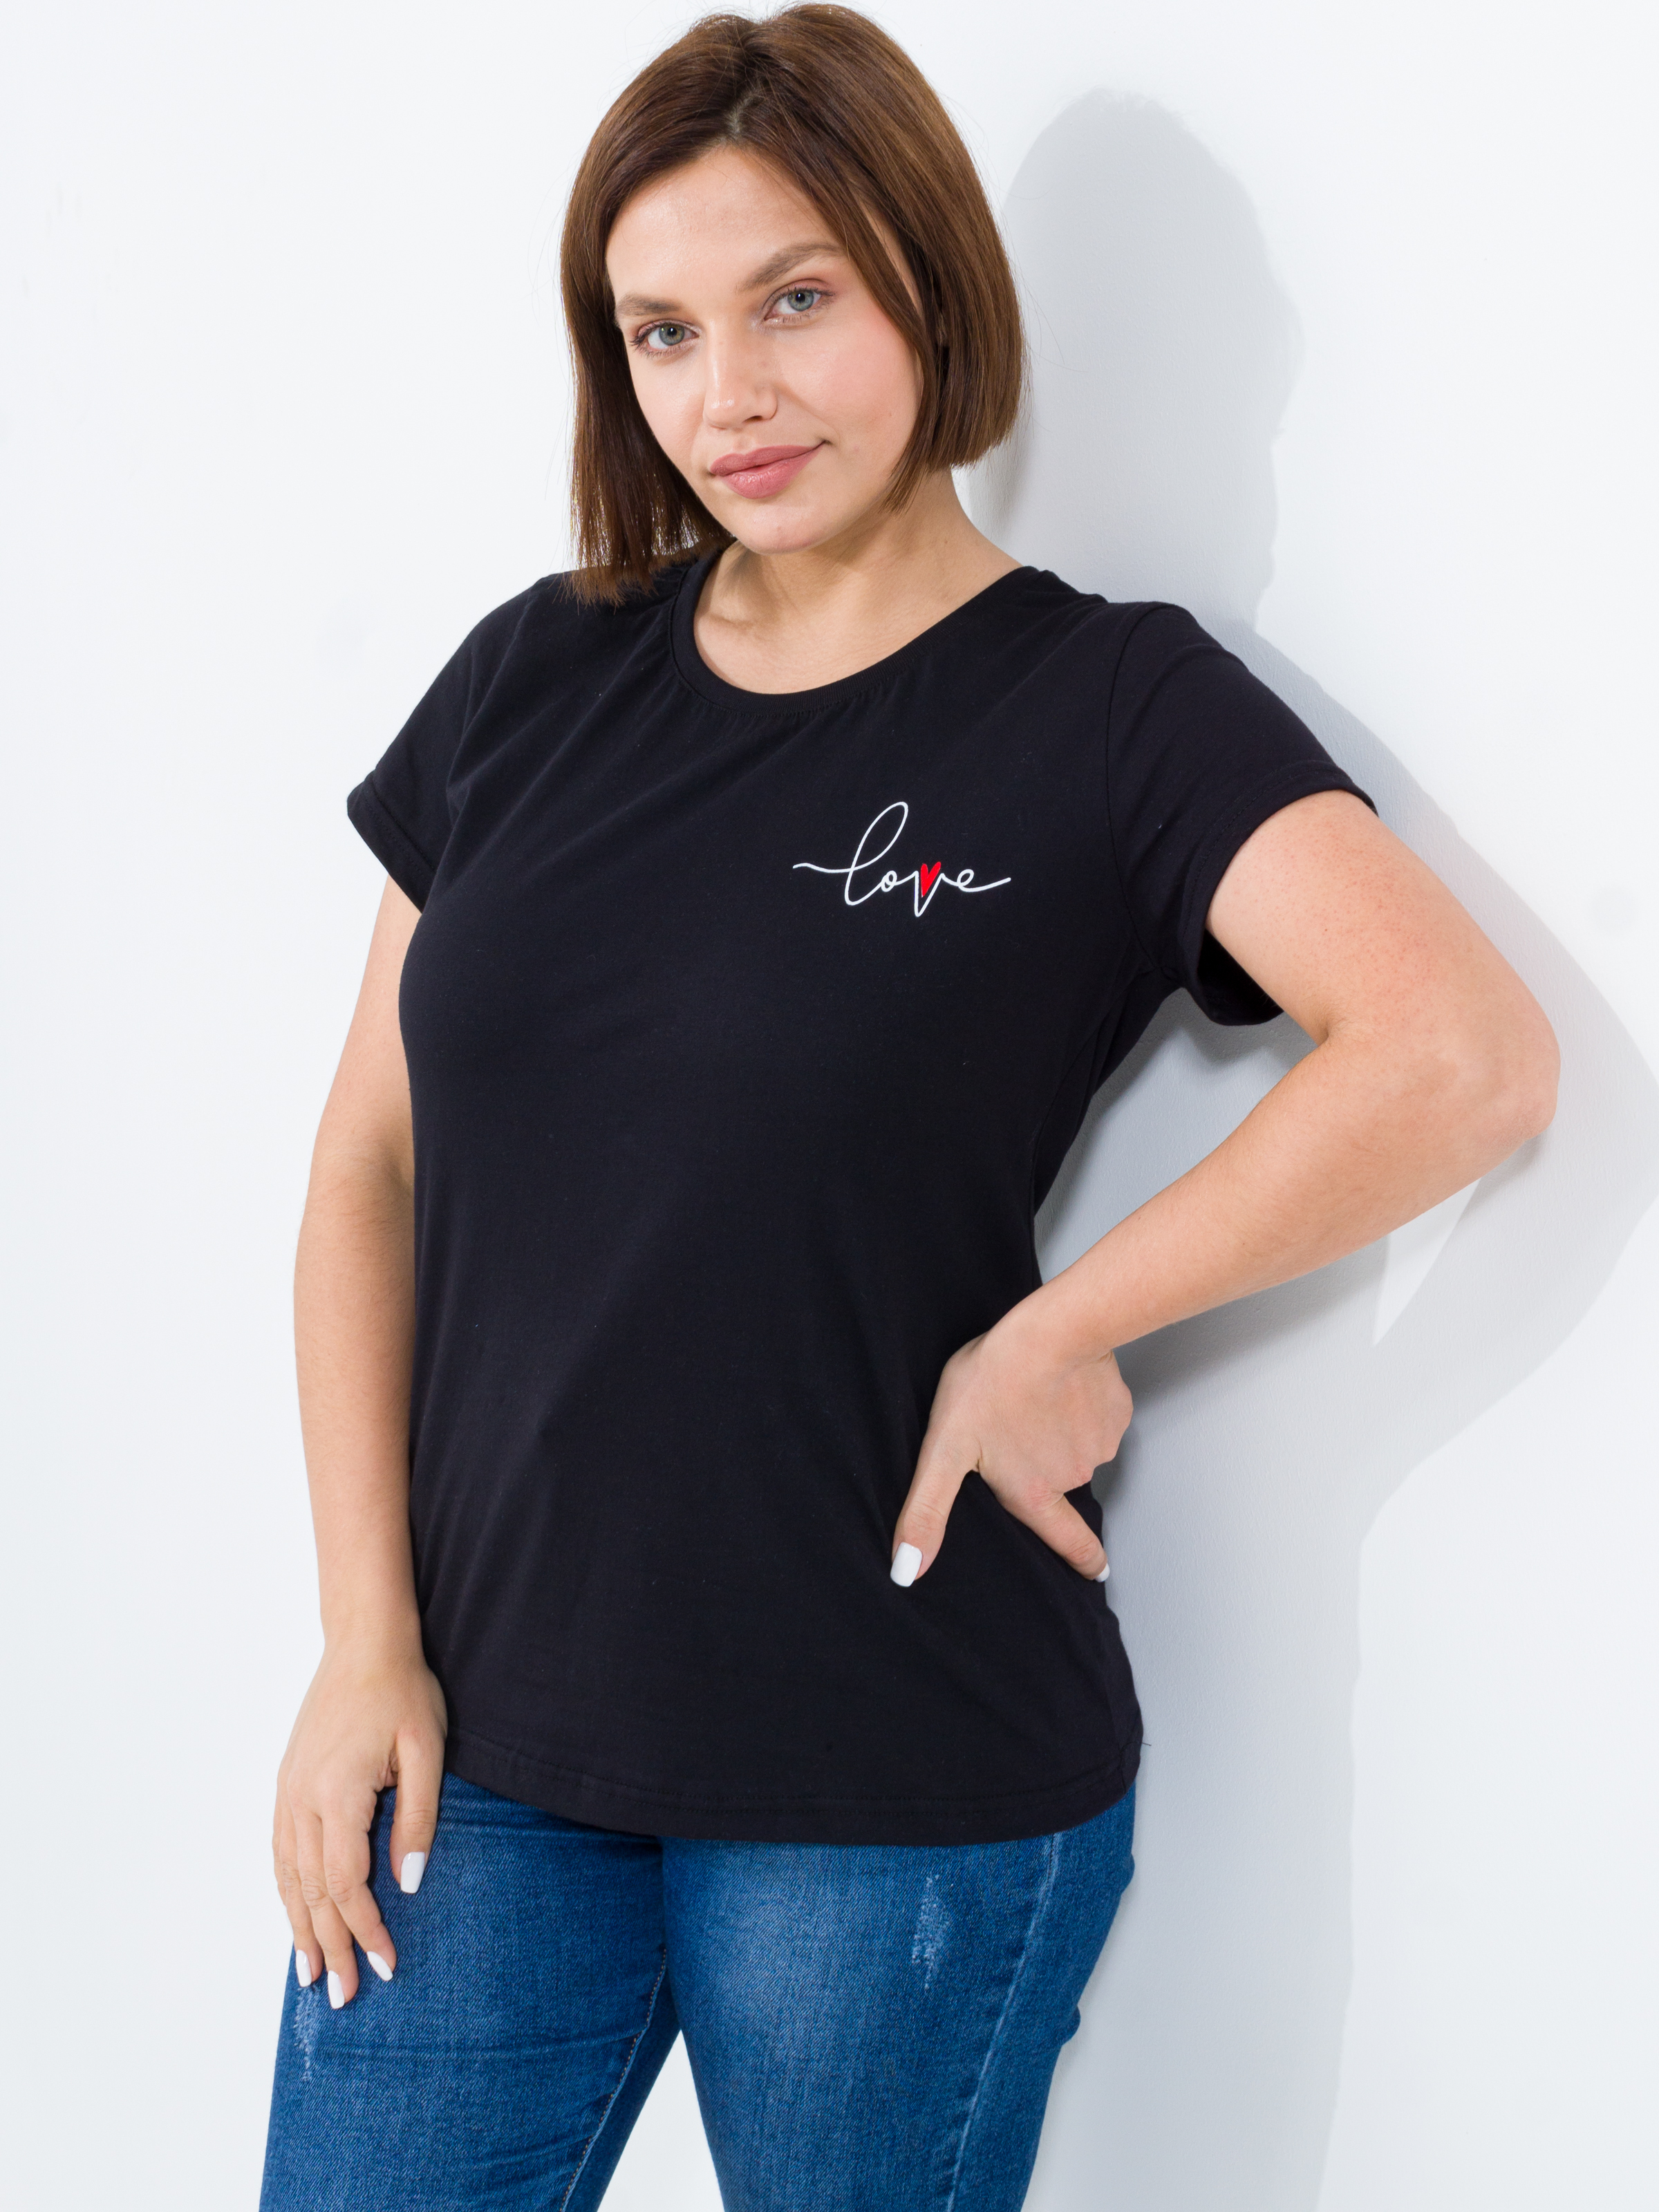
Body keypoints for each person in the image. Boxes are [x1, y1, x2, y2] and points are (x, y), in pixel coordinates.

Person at [259, 9, 1558, 2207]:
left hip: (890, 1782)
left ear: (931, 288)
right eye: (664, 333)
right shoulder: (533, 677)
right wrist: (360, 1639)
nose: (729, 396)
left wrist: (1068, 1330)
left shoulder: (1111, 701)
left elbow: (1464, 1053)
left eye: (797, 301)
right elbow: (367, 1167)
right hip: (480, 1748)